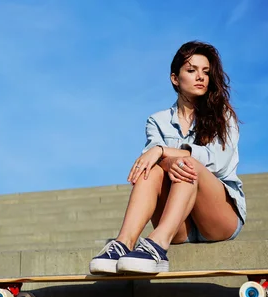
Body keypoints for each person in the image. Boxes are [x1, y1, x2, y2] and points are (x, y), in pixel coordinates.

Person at [90, 41, 246, 274]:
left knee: (186, 164)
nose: (200, 77)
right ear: (175, 78)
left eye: (205, 72)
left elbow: (219, 161)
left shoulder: (223, 114)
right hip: (179, 224)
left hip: (218, 217)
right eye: (191, 70)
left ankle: (156, 246)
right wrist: (165, 158)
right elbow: (150, 160)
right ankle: (123, 243)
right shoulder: (157, 121)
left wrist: (165, 152)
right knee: (151, 170)